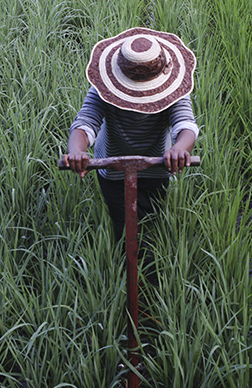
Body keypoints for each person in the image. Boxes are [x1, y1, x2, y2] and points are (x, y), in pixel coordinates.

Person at [62, 27, 199, 242]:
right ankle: (123, 257)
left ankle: (153, 259)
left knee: (152, 216)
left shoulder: (174, 91)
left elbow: (185, 125)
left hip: (156, 166)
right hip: (112, 167)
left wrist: (180, 148)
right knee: (122, 222)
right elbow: (85, 122)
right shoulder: (104, 90)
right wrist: (77, 151)